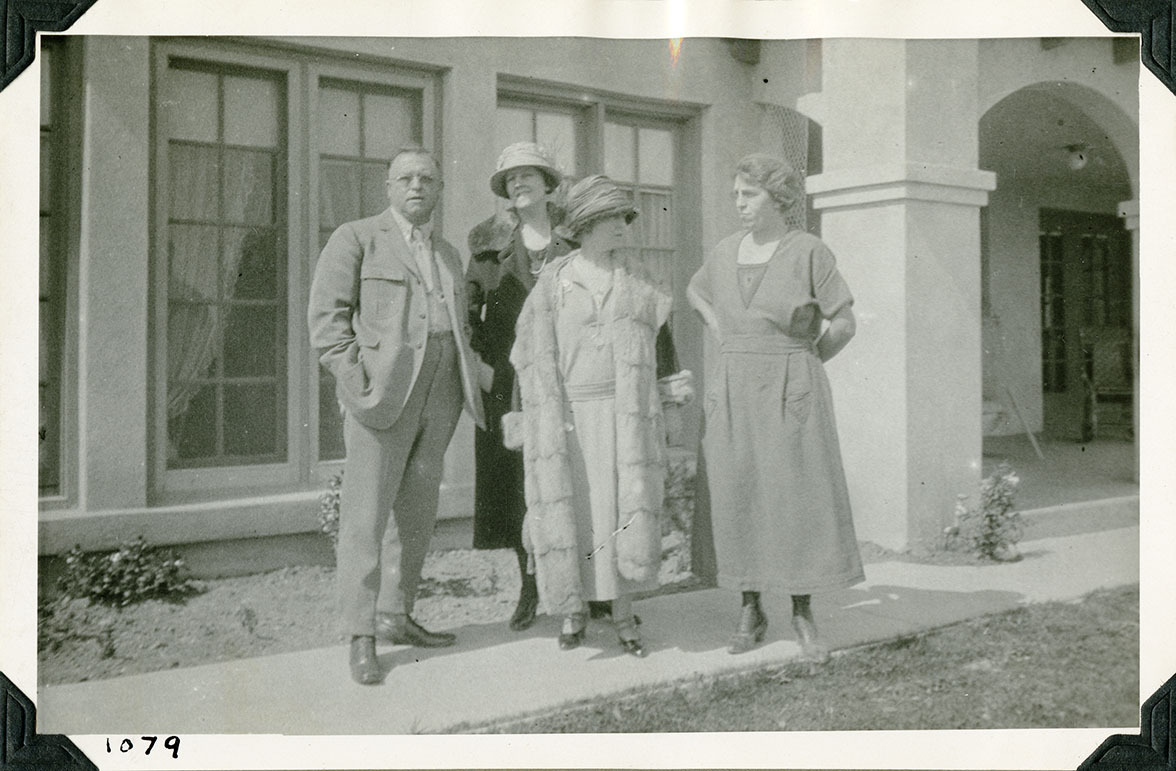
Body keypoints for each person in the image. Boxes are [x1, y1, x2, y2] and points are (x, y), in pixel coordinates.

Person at [308, 146, 486, 685]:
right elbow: (327, 322)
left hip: (441, 390)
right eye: (406, 178)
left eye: (427, 179)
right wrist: (357, 382)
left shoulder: (447, 253)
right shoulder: (357, 238)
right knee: (366, 515)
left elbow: (459, 323)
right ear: (388, 187)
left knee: (417, 512)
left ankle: (396, 613)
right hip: (383, 394)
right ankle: (361, 635)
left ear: (439, 190)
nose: (417, 187)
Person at [687, 153, 864, 662]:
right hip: (734, 386)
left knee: (795, 495)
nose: (739, 204)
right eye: (736, 195)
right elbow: (696, 291)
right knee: (738, 490)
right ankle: (750, 607)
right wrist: (719, 329)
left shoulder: (808, 251)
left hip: (792, 387)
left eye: (750, 194)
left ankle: (802, 611)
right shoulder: (724, 252)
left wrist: (807, 361)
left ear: (779, 197)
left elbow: (844, 323)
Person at [508, 175, 691, 657]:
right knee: (576, 517)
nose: (623, 226)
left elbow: (664, 351)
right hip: (568, 421)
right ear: (586, 225)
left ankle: (624, 615)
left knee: (621, 515)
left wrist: (671, 406)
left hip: (624, 417)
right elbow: (527, 359)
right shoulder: (552, 284)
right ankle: (573, 613)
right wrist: (523, 420)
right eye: (612, 218)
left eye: (624, 217)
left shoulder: (639, 281)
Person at [466, 142, 575, 632]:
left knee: (572, 478)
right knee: (514, 488)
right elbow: (467, 315)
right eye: (511, 178)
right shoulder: (488, 249)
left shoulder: (576, 239)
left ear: (548, 183)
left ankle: (585, 588)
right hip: (508, 382)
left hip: (568, 376)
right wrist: (482, 368)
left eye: (528, 174)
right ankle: (529, 584)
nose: (519, 184)